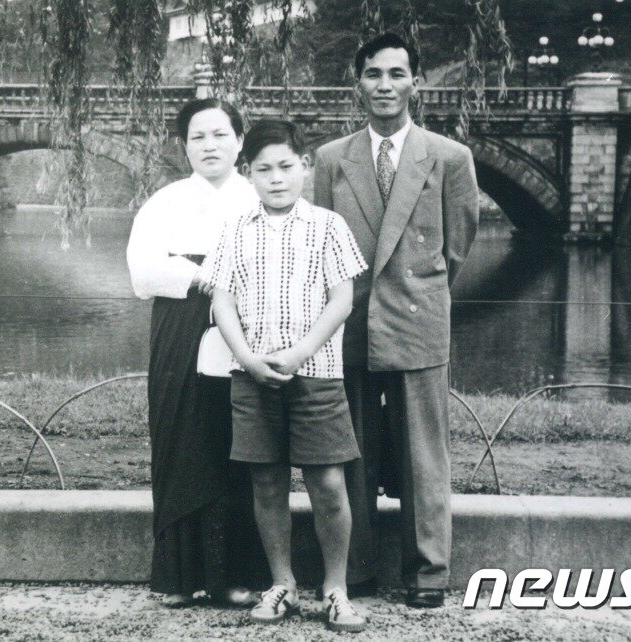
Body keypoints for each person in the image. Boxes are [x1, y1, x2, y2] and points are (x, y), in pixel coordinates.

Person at [313, 32, 480, 608]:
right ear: (356, 82)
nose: (385, 86)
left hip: (417, 320)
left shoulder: (450, 157)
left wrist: (419, 291)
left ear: (417, 82)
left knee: (423, 454)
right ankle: (353, 569)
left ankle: (428, 574)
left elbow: (456, 247)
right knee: (348, 448)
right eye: (374, 75)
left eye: (397, 74)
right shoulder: (331, 160)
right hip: (349, 322)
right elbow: (323, 248)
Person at [200, 119, 370, 633]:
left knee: (327, 482)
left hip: (316, 374)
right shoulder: (234, 228)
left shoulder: (327, 226)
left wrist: (300, 351)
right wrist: (247, 358)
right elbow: (221, 300)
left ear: (306, 167)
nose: (277, 179)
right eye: (264, 170)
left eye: (286, 167)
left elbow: (343, 299)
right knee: (267, 482)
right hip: (251, 376)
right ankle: (283, 584)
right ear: (247, 172)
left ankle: (336, 589)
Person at [126, 98, 266, 607]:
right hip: (181, 328)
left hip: (248, 328)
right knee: (181, 438)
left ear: (239, 141)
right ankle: (179, 578)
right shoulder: (165, 202)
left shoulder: (259, 198)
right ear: (183, 146)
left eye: (221, 134)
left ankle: (236, 576)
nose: (210, 146)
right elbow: (143, 274)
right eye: (198, 137)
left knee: (239, 446)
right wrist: (200, 275)